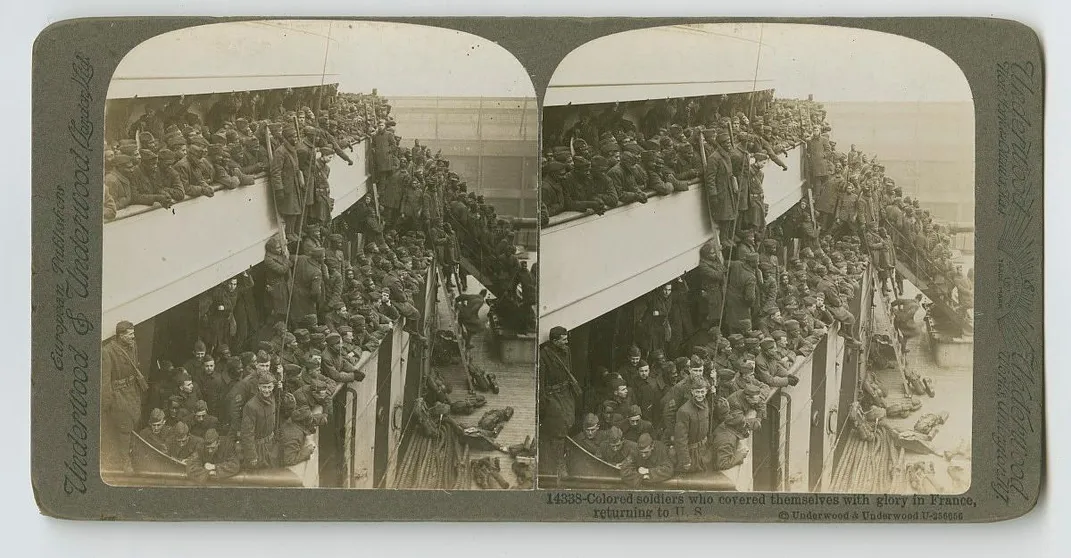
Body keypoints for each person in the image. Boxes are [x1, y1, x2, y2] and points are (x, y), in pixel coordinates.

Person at [102, 320, 149, 473]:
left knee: (135, 421)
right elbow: (105, 380)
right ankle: (125, 462)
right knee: (124, 426)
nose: (133, 337)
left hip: (132, 391)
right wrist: (107, 401)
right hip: (118, 394)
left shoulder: (132, 347)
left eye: (133, 334)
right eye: (130, 335)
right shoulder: (108, 351)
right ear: (121, 335)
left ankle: (131, 453)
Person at [539, 326, 581, 482]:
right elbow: (542, 381)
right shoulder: (544, 356)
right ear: (554, 341)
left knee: (569, 421)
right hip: (552, 395)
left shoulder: (567, 351)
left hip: (566, 392)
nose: (567, 342)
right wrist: (543, 402)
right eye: (563, 340)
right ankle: (559, 465)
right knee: (559, 425)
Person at [239, 371, 278, 470]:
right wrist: (252, 456)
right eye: (264, 387)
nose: (267, 390)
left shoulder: (272, 398)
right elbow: (247, 434)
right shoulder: (251, 406)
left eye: (269, 387)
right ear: (259, 387)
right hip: (258, 448)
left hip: (270, 445)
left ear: (273, 387)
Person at [674, 376, 713, 473]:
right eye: (697, 392)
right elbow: (680, 439)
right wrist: (685, 460)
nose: (700, 395)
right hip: (691, 454)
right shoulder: (684, 411)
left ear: (706, 392)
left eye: (702, 392)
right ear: (692, 392)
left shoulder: (706, 403)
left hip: (703, 450)